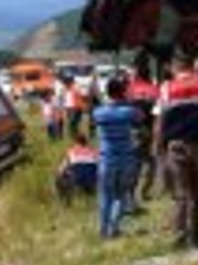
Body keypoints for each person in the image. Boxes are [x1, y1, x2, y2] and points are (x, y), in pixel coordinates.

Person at [156, 53, 198, 249]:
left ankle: (180, 236)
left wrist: (159, 147)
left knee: (182, 192)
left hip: (176, 145)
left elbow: (161, 121)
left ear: (176, 66)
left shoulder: (167, 88)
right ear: (192, 66)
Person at [92, 76, 140, 238]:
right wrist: (127, 101)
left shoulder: (99, 113)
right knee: (121, 194)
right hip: (126, 157)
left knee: (106, 194)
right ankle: (114, 228)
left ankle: (103, 228)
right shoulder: (128, 112)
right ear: (122, 92)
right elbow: (140, 117)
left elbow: (95, 115)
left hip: (107, 157)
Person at [126, 57, 161, 205]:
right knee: (152, 163)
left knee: (135, 163)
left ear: (137, 74)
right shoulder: (154, 89)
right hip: (150, 129)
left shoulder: (130, 89)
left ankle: (131, 193)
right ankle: (145, 191)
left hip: (133, 130)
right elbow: (157, 112)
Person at [55, 133, 99, 203]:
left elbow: (61, 169)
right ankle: (90, 194)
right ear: (86, 142)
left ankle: (64, 200)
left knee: (59, 177)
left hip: (76, 179)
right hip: (93, 180)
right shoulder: (93, 151)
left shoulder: (72, 151)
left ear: (76, 143)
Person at [63, 74, 90, 139]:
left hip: (75, 108)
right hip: (68, 108)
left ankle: (76, 136)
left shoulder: (76, 88)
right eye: (65, 81)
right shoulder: (66, 88)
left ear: (70, 81)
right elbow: (65, 98)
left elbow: (81, 98)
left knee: (73, 122)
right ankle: (73, 136)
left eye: (67, 81)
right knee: (70, 123)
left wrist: (82, 107)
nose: (65, 83)